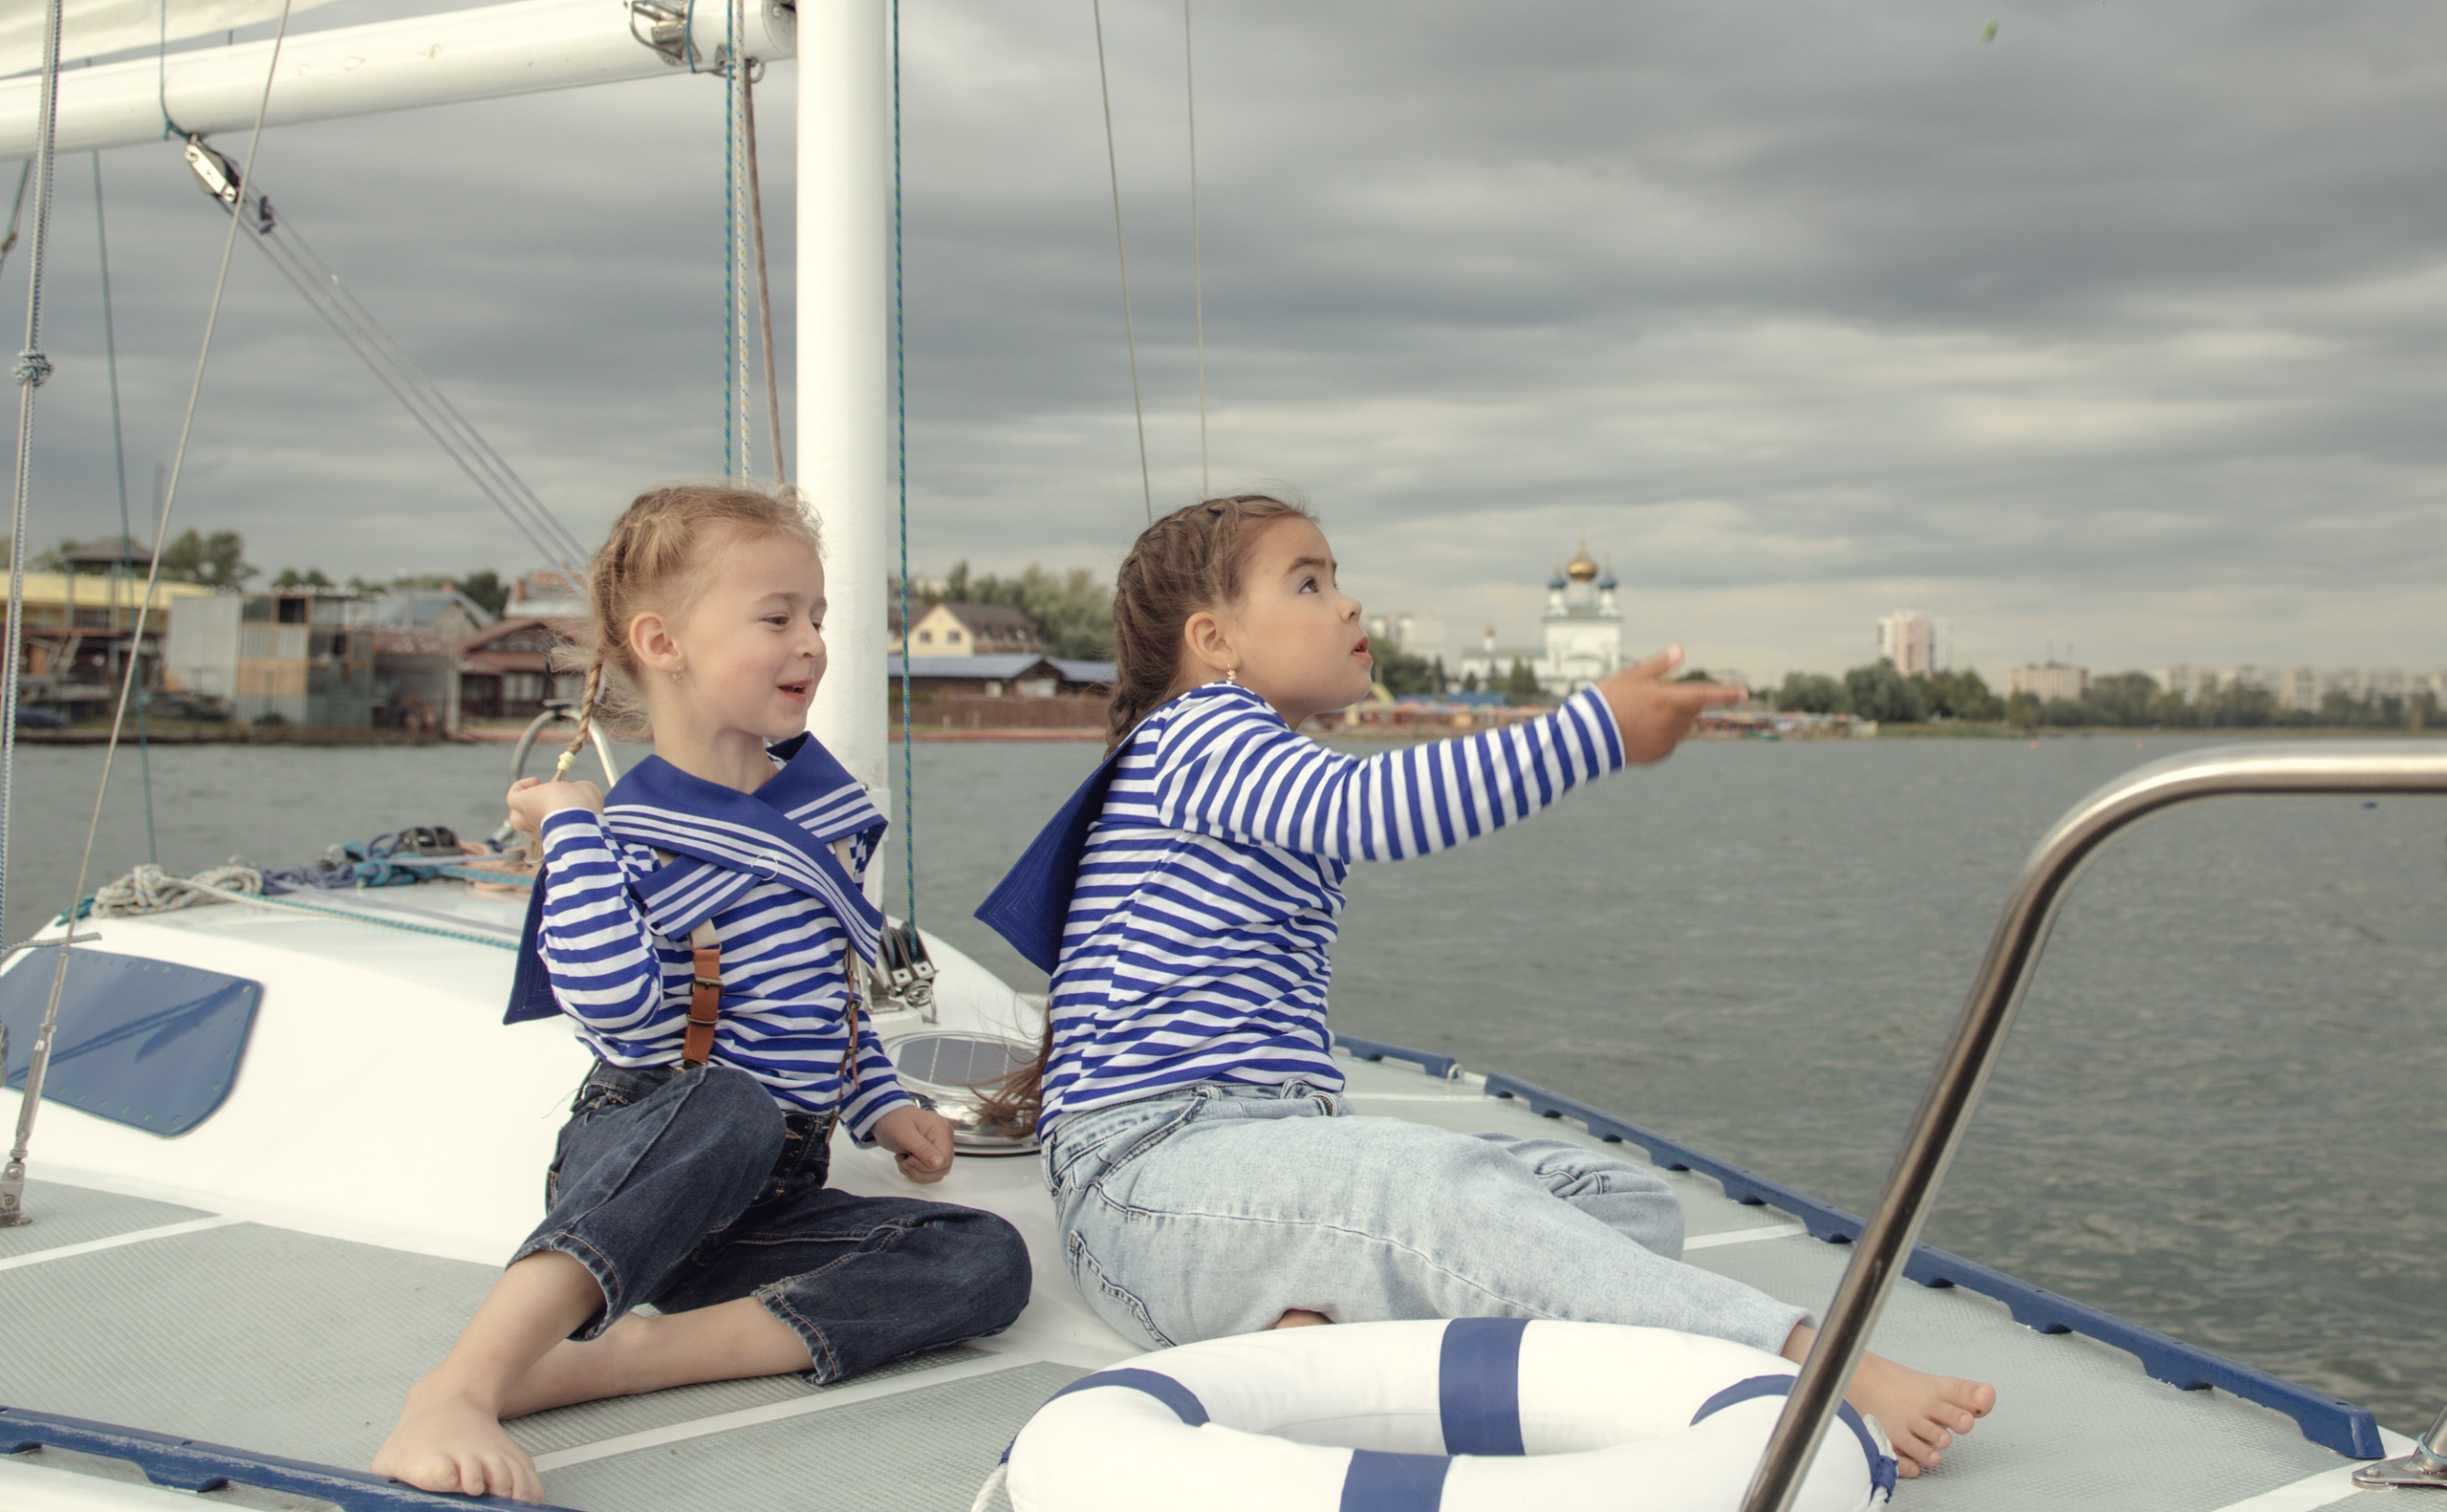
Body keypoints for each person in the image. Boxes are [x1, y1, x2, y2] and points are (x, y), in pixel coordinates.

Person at [977, 493, 1991, 1478]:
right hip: (1148, 1182)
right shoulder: (1200, 733)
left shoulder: (1254, 755)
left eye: (1337, 579)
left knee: (1619, 1201)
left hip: (1262, 1155)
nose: (1349, 605)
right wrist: (1591, 733)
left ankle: (1314, 1329)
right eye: (1307, 581)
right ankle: (1810, 1368)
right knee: (1425, 1191)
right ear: (1215, 641)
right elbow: (1376, 807)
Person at [374, 484, 1030, 1501]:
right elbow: (624, 1020)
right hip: (658, 1149)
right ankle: (458, 1388)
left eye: (816, 616)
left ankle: (615, 1360)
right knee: (728, 1103)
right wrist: (569, 833)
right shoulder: (626, 837)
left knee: (984, 1261)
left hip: (774, 1188)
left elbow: (825, 998)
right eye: (777, 617)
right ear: (662, 641)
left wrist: (880, 1106)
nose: (811, 641)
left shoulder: (816, 815)